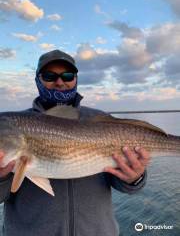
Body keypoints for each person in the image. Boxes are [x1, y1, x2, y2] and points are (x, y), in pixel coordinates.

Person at [0, 49, 150, 236]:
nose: (60, 82)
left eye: (68, 75)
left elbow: (121, 183)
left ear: (76, 79)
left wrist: (134, 178)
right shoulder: (16, 123)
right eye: (50, 76)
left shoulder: (98, 119)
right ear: (38, 79)